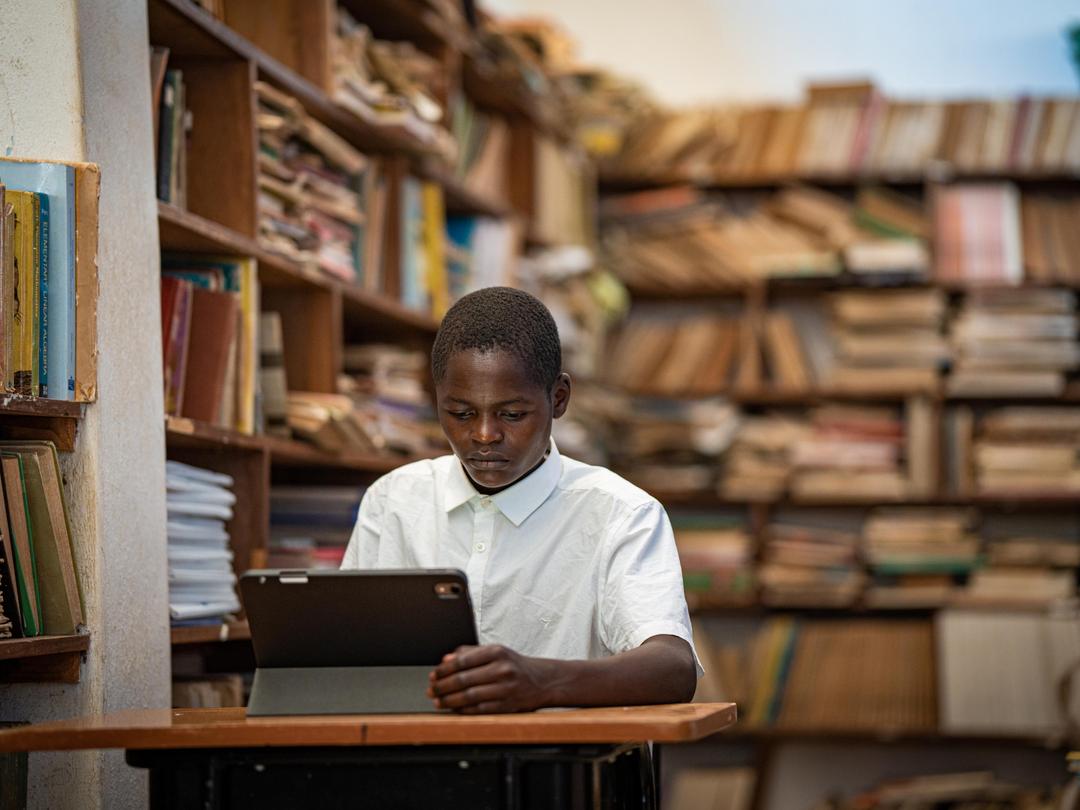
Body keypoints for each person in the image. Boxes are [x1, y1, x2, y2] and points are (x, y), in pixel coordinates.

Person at [341, 286, 699, 714]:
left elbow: (673, 668)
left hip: (561, 770)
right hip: (415, 763)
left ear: (558, 399)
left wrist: (544, 682)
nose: (485, 435)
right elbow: (347, 655)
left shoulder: (621, 514)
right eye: (460, 413)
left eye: (512, 415)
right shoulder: (393, 501)